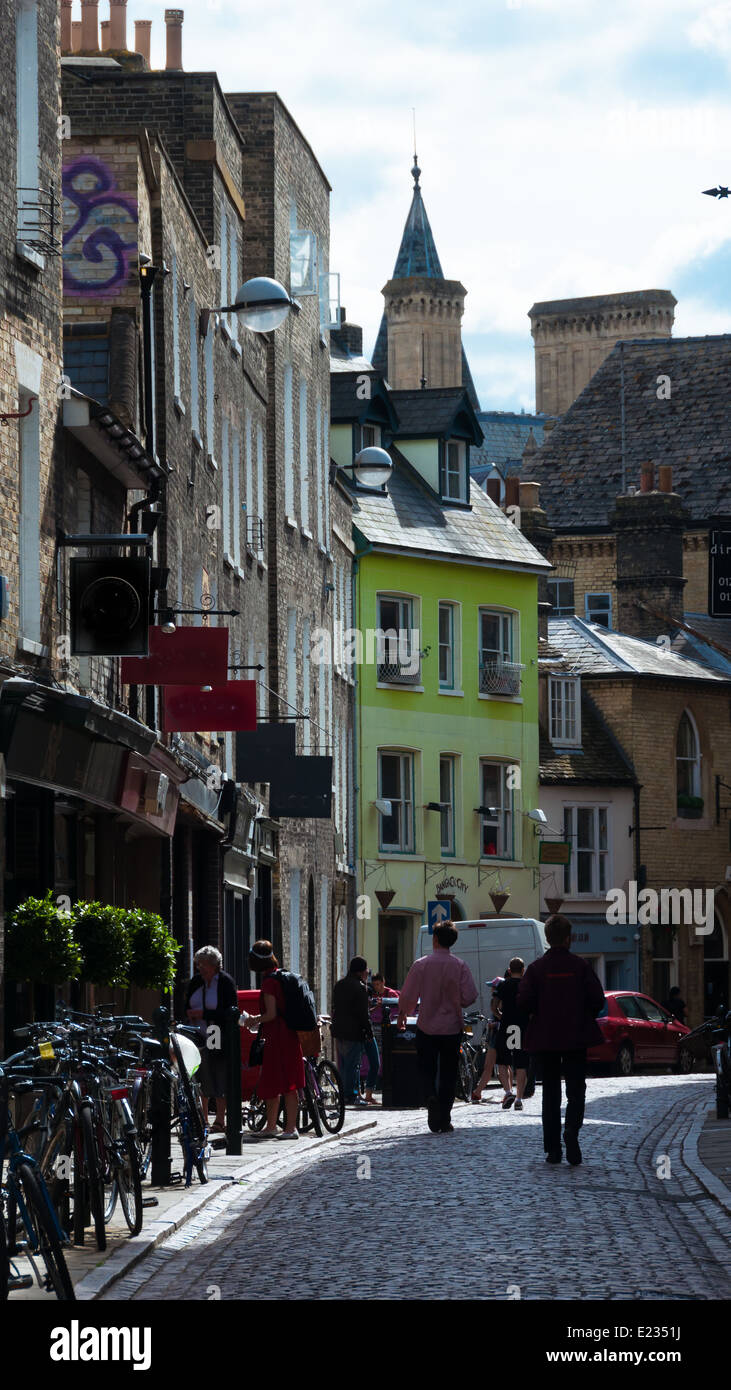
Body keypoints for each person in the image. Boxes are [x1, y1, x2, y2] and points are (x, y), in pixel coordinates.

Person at [517, 914, 605, 1166]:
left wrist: (537, 1012)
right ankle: (572, 1132)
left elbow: (523, 1002)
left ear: (548, 938)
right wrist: (582, 1013)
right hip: (576, 1036)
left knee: (551, 1094)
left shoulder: (535, 970)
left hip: (546, 1038)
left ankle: (553, 1149)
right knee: (577, 1090)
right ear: (569, 938)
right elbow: (598, 1000)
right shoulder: (580, 967)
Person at [397, 922, 478, 1134]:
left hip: (427, 1026)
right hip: (452, 1027)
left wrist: (404, 1014)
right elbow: (470, 996)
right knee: (449, 1074)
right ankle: (445, 1118)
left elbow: (408, 996)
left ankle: (430, 1097)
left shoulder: (421, 965)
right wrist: (455, 1001)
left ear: (435, 939)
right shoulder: (459, 965)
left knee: (426, 1068)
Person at [245, 939, 305, 1139]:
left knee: (280, 1081)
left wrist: (254, 1019)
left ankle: (287, 1129)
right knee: (286, 1081)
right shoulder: (281, 976)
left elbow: (271, 1014)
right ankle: (278, 1127)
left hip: (278, 1036)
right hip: (288, 1035)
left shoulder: (270, 982)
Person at [184, 945, 238, 1133]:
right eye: (199, 964)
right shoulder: (195, 982)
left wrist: (205, 1013)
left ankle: (220, 1119)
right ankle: (203, 1118)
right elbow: (185, 1003)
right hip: (196, 1033)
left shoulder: (225, 982)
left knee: (217, 1073)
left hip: (215, 1031)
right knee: (199, 1073)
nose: (200, 968)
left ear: (214, 965)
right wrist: (190, 1014)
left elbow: (231, 1011)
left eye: (204, 964)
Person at [332, 957, 372, 1107]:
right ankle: (350, 1095)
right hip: (353, 1032)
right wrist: (369, 1033)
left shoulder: (339, 984)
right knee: (352, 1065)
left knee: (343, 1065)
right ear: (361, 971)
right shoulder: (360, 987)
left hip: (339, 1030)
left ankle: (343, 1094)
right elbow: (363, 1014)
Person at [494, 958, 530, 1111]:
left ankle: (508, 1092)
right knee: (521, 1065)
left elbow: (494, 1007)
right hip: (522, 1028)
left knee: (503, 1062)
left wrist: (501, 1016)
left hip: (507, 1028)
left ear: (509, 970)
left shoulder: (503, 985)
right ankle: (519, 1099)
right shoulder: (526, 985)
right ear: (523, 970)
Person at [360, 973, 400, 1104]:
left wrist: (382, 1006)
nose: (377, 987)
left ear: (383, 982)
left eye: (378, 984)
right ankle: (370, 1088)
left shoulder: (392, 994)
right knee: (372, 1057)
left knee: (383, 1055)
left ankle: (381, 1082)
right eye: (375, 985)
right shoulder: (372, 994)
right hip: (373, 1028)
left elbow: (396, 1011)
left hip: (386, 1028)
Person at [471, 977, 502, 1102]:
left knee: (489, 1066)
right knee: (503, 1066)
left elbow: (502, 1018)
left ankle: (477, 1092)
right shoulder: (501, 1000)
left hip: (496, 1036)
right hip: (498, 1035)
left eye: (493, 987)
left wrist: (494, 1024)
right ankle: (508, 1091)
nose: (491, 989)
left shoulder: (498, 1001)